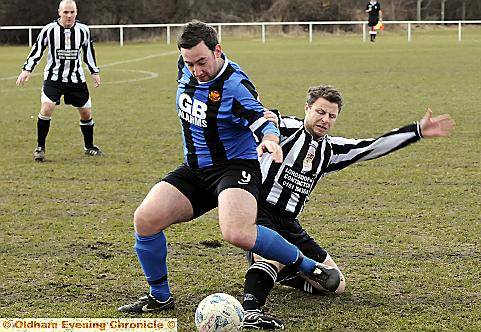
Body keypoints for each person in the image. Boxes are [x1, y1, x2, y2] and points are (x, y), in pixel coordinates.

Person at [118, 21, 342, 314]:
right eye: (190, 63)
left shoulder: (236, 86)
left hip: (234, 168)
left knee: (237, 232)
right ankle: (160, 297)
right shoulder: (185, 68)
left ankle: (307, 266)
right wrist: (190, 65)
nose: (197, 70)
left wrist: (271, 141)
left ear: (217, 50)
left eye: (202, 62)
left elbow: (264, 120)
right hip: (196, 170)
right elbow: (190, 69)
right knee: (145, 220)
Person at [241, 85, 455, 329]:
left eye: (331, 116)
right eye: (320, 112)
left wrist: (416, 131)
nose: (325, 120)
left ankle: (284, 272)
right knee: (272, 257)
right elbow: (257, 116)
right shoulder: (283, 127)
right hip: (258, 212)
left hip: (290, 223)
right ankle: (251, 311)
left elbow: (372, 146)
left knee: (335, 285)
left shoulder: (330, 150)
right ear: (307, 108)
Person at [16, 0, 102, 162]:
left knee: (86, 113)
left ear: (76, 12)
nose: (69, 16)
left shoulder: (83, 30)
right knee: (47, 108)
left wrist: (94, 71)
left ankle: (89, 147)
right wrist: (27, 69)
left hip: (76, 79)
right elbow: (37, 50)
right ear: (59, 12)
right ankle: (40, 147)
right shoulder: (49, 30)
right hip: (53, 78)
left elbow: (89, 52)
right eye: (65, 12)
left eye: (72, 12)